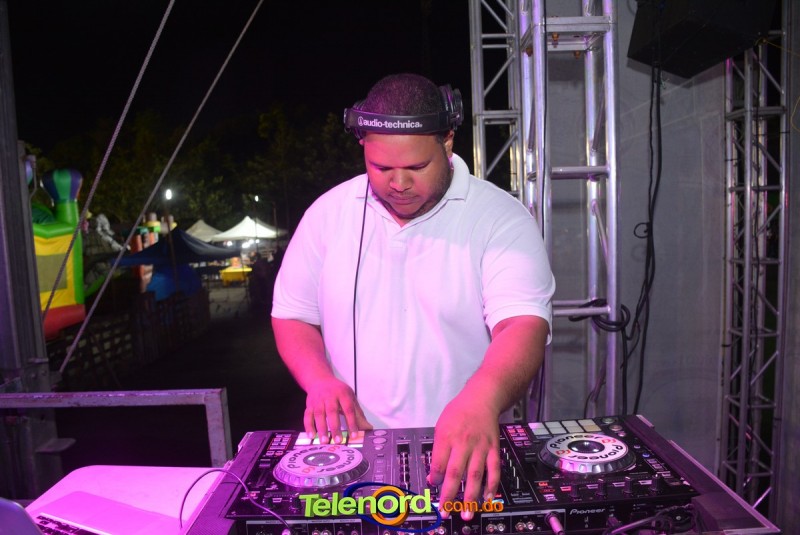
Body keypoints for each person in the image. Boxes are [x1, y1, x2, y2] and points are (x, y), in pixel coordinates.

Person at [271, 73, 555, 517]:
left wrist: (482, 397)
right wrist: (319, 380)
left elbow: (523, 325)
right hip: (350, 456)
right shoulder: (328, 215)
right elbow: (292, 315)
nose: (398, 182)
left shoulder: (500, 218)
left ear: (448, 141)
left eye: (417, 167)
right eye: (381, 168)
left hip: (459, 455)